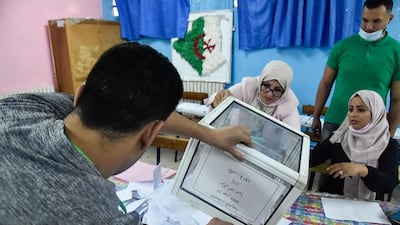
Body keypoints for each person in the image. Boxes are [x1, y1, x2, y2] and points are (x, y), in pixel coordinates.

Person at [0, 42, 252, 225]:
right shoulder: (100, 215)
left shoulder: (20, 107)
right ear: (150, 134)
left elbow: (137, 109)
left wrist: (209, 134)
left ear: (78, 96)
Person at [312, 0, 400, 141]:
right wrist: (316, 116)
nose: (369, 27)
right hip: (335, 122)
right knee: (328, 163)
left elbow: (397, 100)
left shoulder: (397, 52)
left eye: (376, 21)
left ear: (390, 19)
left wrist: (389, 134)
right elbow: (325, 84)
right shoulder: (343, 46)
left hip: (371, 128)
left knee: (360, 165)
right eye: (365, 20)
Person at [310, 90, 399, 200]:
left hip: (369, 206)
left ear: (376, 113)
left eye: (361, 110)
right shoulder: (339, 137)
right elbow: (312, 159)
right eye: (351, 109)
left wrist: (363, 170)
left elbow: (389, 184)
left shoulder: (388, 144)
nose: (353, 114)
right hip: (333, 200)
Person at [205, 60, 301, 130]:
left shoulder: (288, 104)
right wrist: (217, 100)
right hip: (235, 138)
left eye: (277, 90)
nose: (269, 94)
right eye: (266, 86)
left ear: (284, 92)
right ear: (260, 82)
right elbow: (220, 98)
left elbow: (293, 137)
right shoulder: (249, 87)